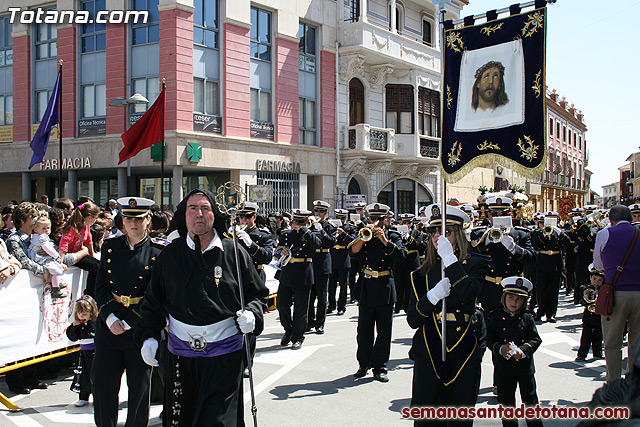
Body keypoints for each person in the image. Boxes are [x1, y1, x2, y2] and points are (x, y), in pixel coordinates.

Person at [138, 189, 269, 426]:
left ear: (214, 214)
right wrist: (149, 336)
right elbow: (153, 302)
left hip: (224, 356)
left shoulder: (234, 253)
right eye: (193, 208)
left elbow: (257, 294)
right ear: (183, 215)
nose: (199, 214)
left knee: (218, 421)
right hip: (180, 355)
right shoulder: (169, 255)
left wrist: (252, 313)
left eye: (205, 208)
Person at [407, 204, 489, 426]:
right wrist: (431, 297)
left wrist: (451, 261)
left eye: (446, 232)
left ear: (459, 234)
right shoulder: (420, 274)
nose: (437, 237)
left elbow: (468, 293)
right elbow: (413, 319)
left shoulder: (475, 264)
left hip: (462, 349)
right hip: (429, 349)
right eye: (433, 232)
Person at [93, 197, 166, 427]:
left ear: (148, 220)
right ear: (122, 221)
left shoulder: (159, 251)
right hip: (109, 329)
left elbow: (159, 294)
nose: (133, 224)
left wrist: (131, 320)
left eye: (139, 219)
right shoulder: (110, 246)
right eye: (128, 219)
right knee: (103, 387)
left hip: (139, 328)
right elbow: (101, 286)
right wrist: (111, 317)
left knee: (139, 391)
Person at [349, 203, 406, 382]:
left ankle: (380, 366)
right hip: (366, 285)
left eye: (377, 220)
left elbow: (402, 256)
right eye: (371, 219)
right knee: (364, 329)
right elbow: (352, 252)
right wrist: (363, 236)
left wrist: (384, 241)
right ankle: (363, 363)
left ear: (385, 220)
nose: (373, 222)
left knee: (384, 330)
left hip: (385, 286)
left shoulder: (393, 236)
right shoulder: (363, 235)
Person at [5, 202, 49, 394]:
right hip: (18, 296)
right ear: (22, 220)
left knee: (32, 336)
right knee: (18, 336)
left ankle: (32, 376)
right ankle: (16, 380)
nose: (35, 220)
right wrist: (44, 271)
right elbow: (24, 262)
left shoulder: (37, 238)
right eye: (32, 217)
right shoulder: (15, 239)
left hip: (34, 294)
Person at [487, 277, 543, 427]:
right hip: (504, 368)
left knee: (530, 402)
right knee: (506, 403)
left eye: (519, 299)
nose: (514, 302)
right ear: (504, 297)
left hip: (524, 368)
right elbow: (490, 338)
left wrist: (523, 351)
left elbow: (535, 339)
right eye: (510, 297)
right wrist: (500, 348)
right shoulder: (496, 317)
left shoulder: (527, 317)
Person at [593, 204, 640, 383]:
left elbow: (598, 265)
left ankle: (613, 385)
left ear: (611, 220)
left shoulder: (605, 234)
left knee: (613, 344)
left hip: (616, 294)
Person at [234, 201, 273, 377]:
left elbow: (267, 257)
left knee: (250, 320)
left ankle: (247, 362)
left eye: (247, 216)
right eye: (240, 216)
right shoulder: (232, 234)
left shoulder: (262, 235)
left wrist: (251, 244)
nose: (243, 219)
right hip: (234, 279)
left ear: (254, 217)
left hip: (254, 279)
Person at [276, 209, 322, 349]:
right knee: (282, 304)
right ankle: (288, 329)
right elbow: (277, 252)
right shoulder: (286, 234)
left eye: (300, 222)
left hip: (303, 273)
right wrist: (281, 252)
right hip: (287, 272)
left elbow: (317, 244)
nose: (297, 224)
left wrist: (304, 230)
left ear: (306, 222)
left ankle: (298, 336)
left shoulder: (310, 234)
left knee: (301, 309)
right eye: (295, 221)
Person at [530, 212, 570, 322]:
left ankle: (551, 313)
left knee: (553, 290)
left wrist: (558, 231)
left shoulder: (560, 232)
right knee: (541, 290)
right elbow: (534, 244)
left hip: (555, 263)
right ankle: (540, 311)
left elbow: (567, 242)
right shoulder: (538, 232)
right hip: (542, 262)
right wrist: (543, 235)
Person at [308, 200, 337, 334]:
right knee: (309, 294)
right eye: (316, 211)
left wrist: (322, 231)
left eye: (320, 211)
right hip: (311, 261)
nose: (317, 214)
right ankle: (309, 321)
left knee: (322, 294)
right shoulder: (310, 225)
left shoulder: (330, 226)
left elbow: (331, 243)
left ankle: (320, 323)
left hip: (324, 261)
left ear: (326, 213)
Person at [59, 201, 100, 297]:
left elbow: (89, 242)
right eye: (95, 218)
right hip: (70, 255)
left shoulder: (86, 226)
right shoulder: (73, 227)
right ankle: (89, 293)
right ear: (90, 217)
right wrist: (60, 261)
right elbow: (63, 244)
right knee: (95, 267)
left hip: (79, 253)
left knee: (98, 265)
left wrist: (93, 256)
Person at [66, 295, 98, 407]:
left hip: (95, 353)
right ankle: (83, 397)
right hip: (83, 354)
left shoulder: (96, 324)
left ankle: (98, 396)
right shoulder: (78, 325)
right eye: (79, 314)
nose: (81, 316)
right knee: (83, 375)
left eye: (84, 314)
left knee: (96, 375)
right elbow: (72, 337)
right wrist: (74, 327)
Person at [28, 214, 69, 299]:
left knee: (54, 268)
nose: (46, 230)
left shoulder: (37, 236)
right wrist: (56, 255)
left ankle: (57, 282)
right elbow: (47, 248)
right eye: (43, 228)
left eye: (48, 228)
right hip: (40, 257)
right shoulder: (42, 237)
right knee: (56, 269)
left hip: (38, 256)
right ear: (35, 229)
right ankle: (55, 289)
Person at [328, 208, 355, 315]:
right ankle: (331, 305)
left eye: (342, 218)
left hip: (344, 257)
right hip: (333, 256)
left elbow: (353, 240)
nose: (341, 220)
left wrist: (343, 233)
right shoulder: (331, 227)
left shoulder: (350, 228)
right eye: (338, 217)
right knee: (331, 284)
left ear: (346, 218)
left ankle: (341, 306)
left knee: (343, 285)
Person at [576, 264, 605, 362]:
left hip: (599, 315)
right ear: (590, 277)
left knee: (598, 336)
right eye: (595, 279)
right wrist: (586, 296)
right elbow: (582, 302)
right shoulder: (586, 288)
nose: (597, 282)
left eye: (600, 280)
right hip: (588, 315)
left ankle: (597, 353)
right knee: (586, 337)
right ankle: (582, 355)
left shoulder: (603, 289)